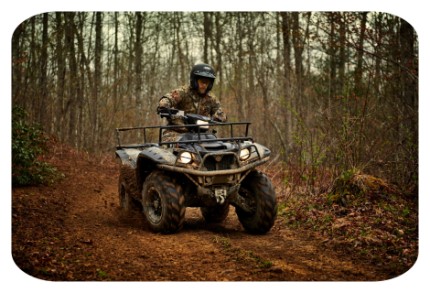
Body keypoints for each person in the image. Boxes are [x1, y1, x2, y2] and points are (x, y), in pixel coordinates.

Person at [157, 63, 227, 142]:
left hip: (201, 135)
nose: (204, 85)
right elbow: (169, 98)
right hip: (176, 133)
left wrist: (219, 116)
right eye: (202, 82)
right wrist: (164, 106)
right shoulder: (183, 92)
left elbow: (220, 111)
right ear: (195, 80)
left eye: (207, 83)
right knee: (178, 147)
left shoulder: (211, 98)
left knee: (218, 147)